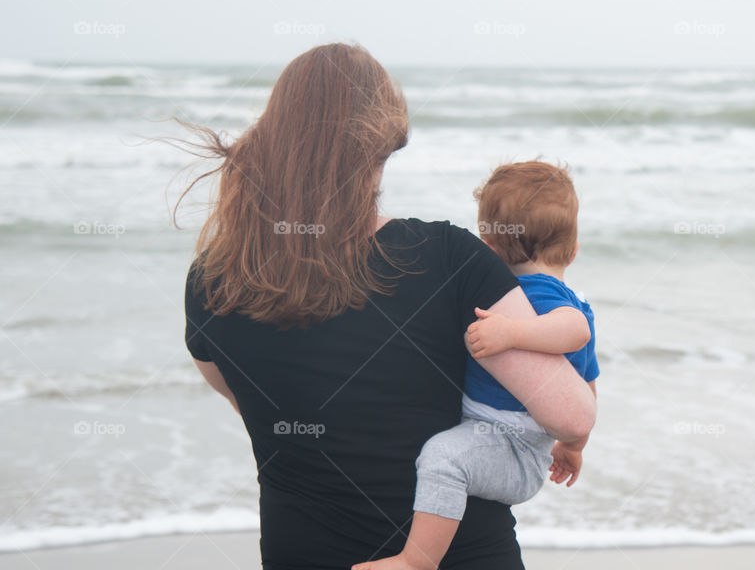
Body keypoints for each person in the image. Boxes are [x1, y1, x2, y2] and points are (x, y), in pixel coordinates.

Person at [181, 44, 596, 570]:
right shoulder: (449, 258)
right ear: (383, 144)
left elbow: (254, 408)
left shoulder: (211, 282)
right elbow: (570, 413)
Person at [354, 161, 598, 570]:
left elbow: (575, 330)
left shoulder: (542, 293)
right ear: (573, 250)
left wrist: (513, 334)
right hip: (509, 439)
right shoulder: (534, 292)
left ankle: (417, 561)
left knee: (443, 457)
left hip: (513, 446)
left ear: (487, 246)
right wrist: (573, 448)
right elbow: (587, 382)